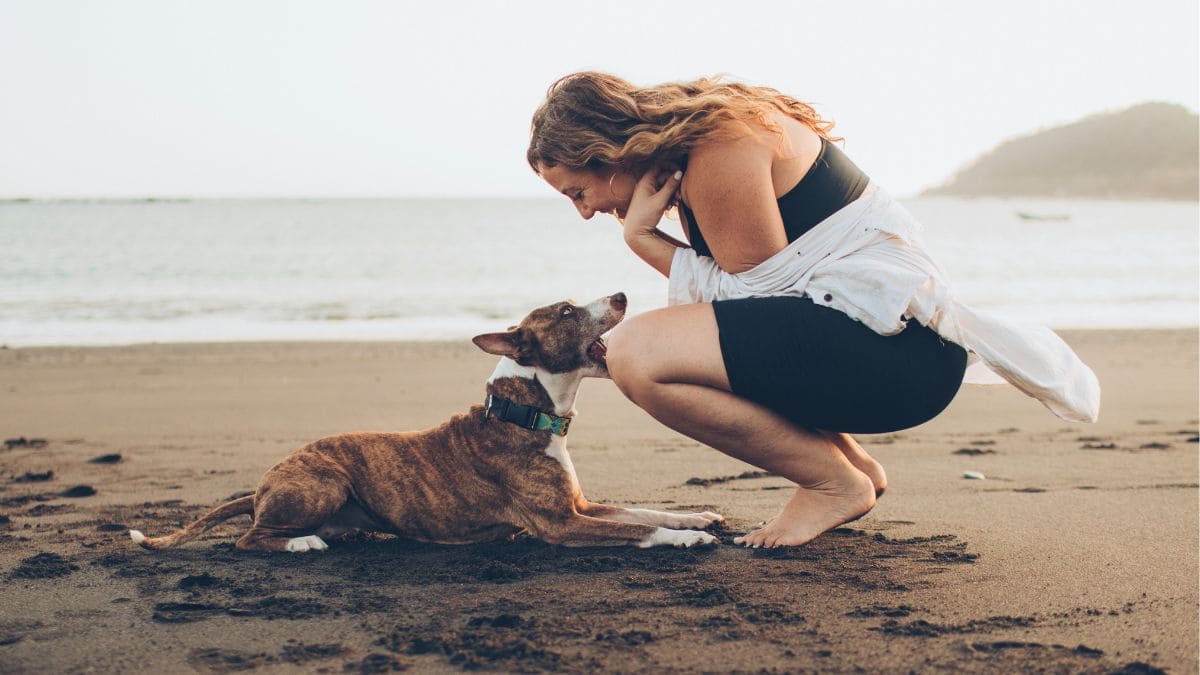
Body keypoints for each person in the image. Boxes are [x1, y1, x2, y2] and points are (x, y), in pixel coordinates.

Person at [526, 72, 1099, 548]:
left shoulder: (720, 149)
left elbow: (757, 300)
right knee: (693, 342)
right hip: (887, 352)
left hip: (902, 361)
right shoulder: (705, 148)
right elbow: (765, 319)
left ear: (605, 155)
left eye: (577, 192)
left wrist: (642, 238)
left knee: (634, 354)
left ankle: (830, 483)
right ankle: (852, 470)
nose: (584, 211)